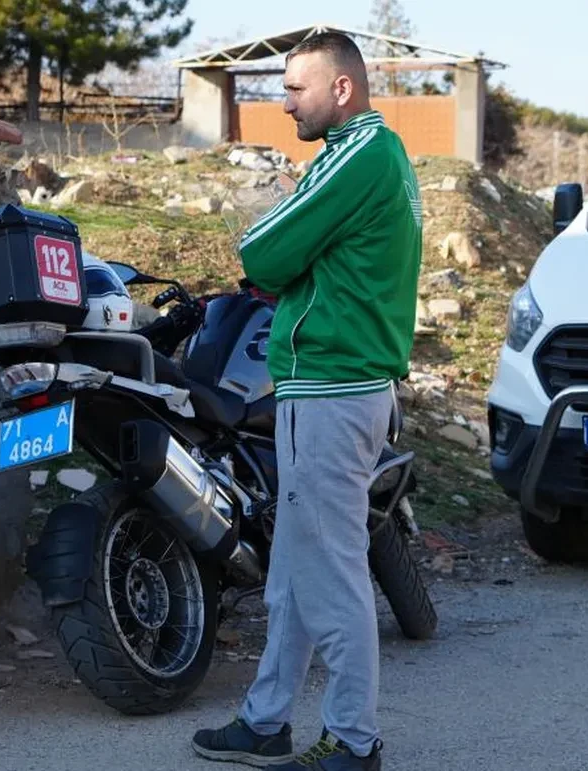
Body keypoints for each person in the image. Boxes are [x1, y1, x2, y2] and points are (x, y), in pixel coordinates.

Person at [191, 31, 422, 771]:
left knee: (329, 570)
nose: (285, 101)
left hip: (332, 387)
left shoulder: (360, 154)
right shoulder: (364, 154)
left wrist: (280, 259)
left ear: (342, 88)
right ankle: (265, 721)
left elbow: (262, 252)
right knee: (294, 571)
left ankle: (354, 739)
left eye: (296, 87)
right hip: (337, 385)